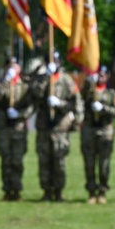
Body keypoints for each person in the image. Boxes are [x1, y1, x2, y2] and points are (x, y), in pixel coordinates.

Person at [31, 52, 82, 201]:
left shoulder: (67, 80)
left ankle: (58, 191)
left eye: (56, 61)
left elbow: (75, 102)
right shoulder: (41, 79)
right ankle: (46, 191)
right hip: (44, 126)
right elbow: (35, 94)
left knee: (59, 161)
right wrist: (46, 78)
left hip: (60, 127)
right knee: (44, 161)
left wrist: (59, 104)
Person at [0, 57, 36, 201]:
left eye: (15, 66)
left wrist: (20, 114)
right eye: (9, 66)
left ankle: (16, 190)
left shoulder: (25, 86)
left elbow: (31, 106)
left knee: (17, 161)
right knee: (5, 161)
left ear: (20, 69)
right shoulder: (1, 83)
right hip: (4, 129)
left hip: (18, 128)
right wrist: (6, 80)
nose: (12, 68)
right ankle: (6, 190)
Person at [80, 65, 115, 204]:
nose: (100, 77)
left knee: (104, 164)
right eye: (98, 75)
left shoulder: (111, 93)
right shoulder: (89, 91)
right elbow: (80, 96)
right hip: (89, 130)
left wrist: (103, 108)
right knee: (89, 163)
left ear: (107, 77)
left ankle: (102, 191)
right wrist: (88, 82)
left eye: (103, 75)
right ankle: (91, 192)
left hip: (105, 130)